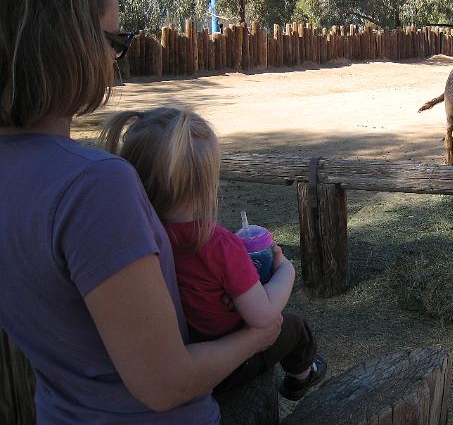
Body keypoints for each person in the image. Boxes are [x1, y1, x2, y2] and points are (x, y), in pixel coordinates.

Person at [0, 0, 282, 423]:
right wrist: (259, 333)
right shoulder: (92, 186)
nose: (115, 58)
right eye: (114, 41)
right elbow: (164, 384)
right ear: (68, 45)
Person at [100, 108, 327, 401]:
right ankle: (301, 377)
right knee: (294, 326)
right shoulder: (219, 245)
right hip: (223, 364)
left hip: (178, 354)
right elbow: (263, 315)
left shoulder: (142, 236)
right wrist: (287, 272)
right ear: (207, 183)